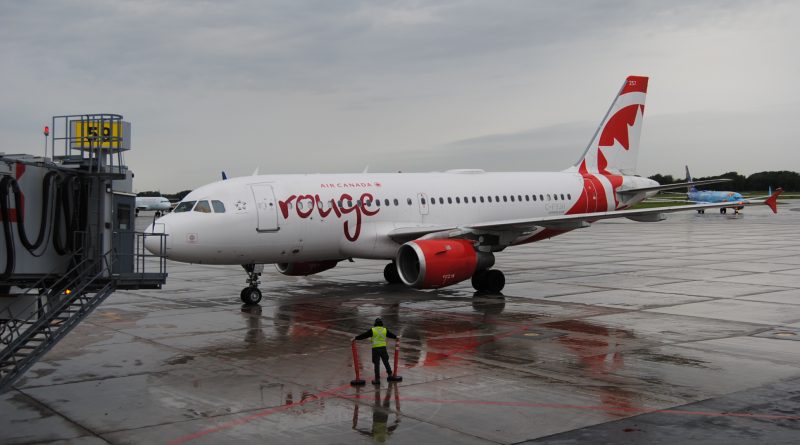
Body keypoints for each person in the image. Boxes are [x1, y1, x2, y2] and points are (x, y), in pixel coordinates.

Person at [353, 317, 398, 385]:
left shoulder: (373, 330)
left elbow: (364, 335)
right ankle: (390, 375)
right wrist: (397, 337)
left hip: (375, 349)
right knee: (386, 361)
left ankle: (377, 379)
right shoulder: (384, 330)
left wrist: (356, 338)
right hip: (383, 348)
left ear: (375, 323)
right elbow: (391, 335)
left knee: (376, 364)